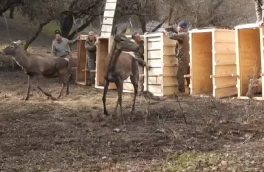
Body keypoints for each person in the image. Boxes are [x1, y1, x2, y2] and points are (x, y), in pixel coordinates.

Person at [167, 20, 190, 93]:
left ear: (182, 28)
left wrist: (168, 31)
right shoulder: (187, 34)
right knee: (188, 75)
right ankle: (190, 91)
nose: (177, 28)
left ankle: (182, 92)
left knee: (180, 75)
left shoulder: (183, 35)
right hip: (187, 58)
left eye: (178, 27)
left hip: (183, 59)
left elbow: (171, 36)